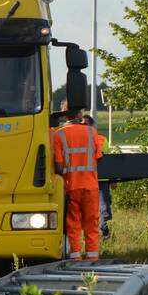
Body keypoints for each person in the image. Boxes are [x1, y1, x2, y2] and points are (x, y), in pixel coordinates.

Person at [53, 102, 106, 260]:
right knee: (92, 224)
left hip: (71, 187)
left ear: (64, 114)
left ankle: (75, 257)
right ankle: (92, 258)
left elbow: (58, 165)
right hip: (90, 186)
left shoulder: (58, 134)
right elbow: (99, 157)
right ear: (79, 114)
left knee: (73, 224)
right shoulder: (92, 132)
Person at [84, 114, 113, 240]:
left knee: (103, 207)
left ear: (92, 126)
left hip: (102, 179)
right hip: (86, 178)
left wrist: (112, 178)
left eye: (86, 124)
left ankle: (104, 229)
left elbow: (108, 160)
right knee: (89, 208)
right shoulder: (79, 139)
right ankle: (96, 232)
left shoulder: (102, 139)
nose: (85, 127)